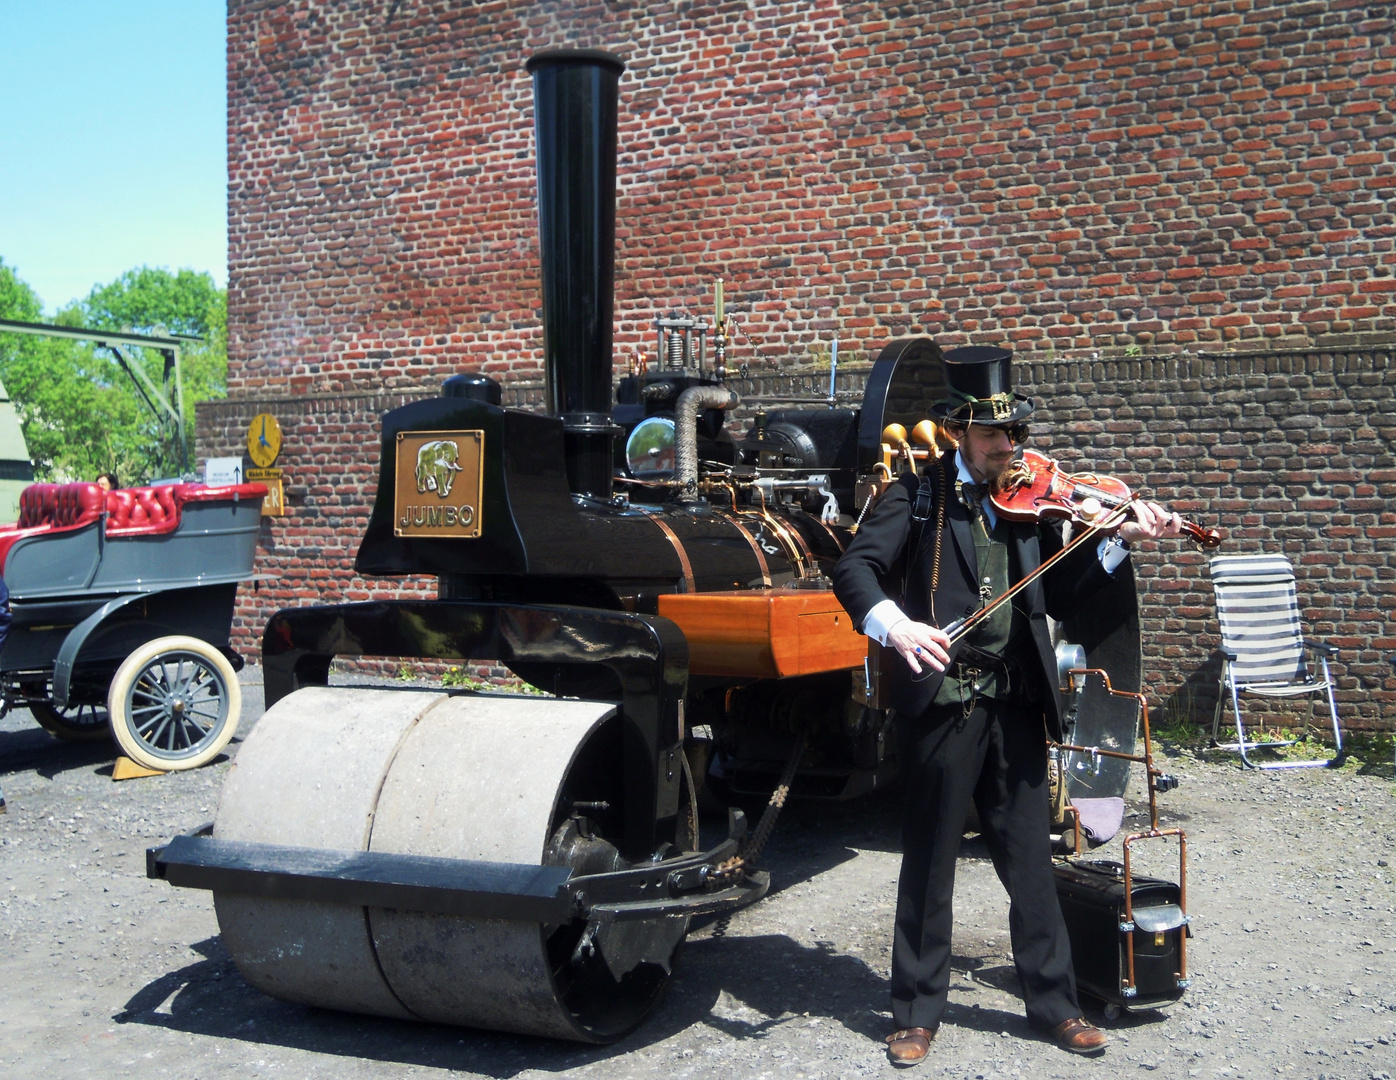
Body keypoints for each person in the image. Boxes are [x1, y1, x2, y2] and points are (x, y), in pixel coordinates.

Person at [832, 344, 1184, 1066]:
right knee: (928, 860)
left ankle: (1056, 1005)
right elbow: (856, 568)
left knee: (1029, 858)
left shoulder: (1030, 503)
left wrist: (1116, 543)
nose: (1010, 448)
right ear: (963, 432)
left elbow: (1059, 593)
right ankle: (915, 1012)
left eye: (1015, 435)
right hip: (945, 698)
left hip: (1017, 700)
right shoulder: (917, 495)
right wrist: (895, 626)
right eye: (996, 437)